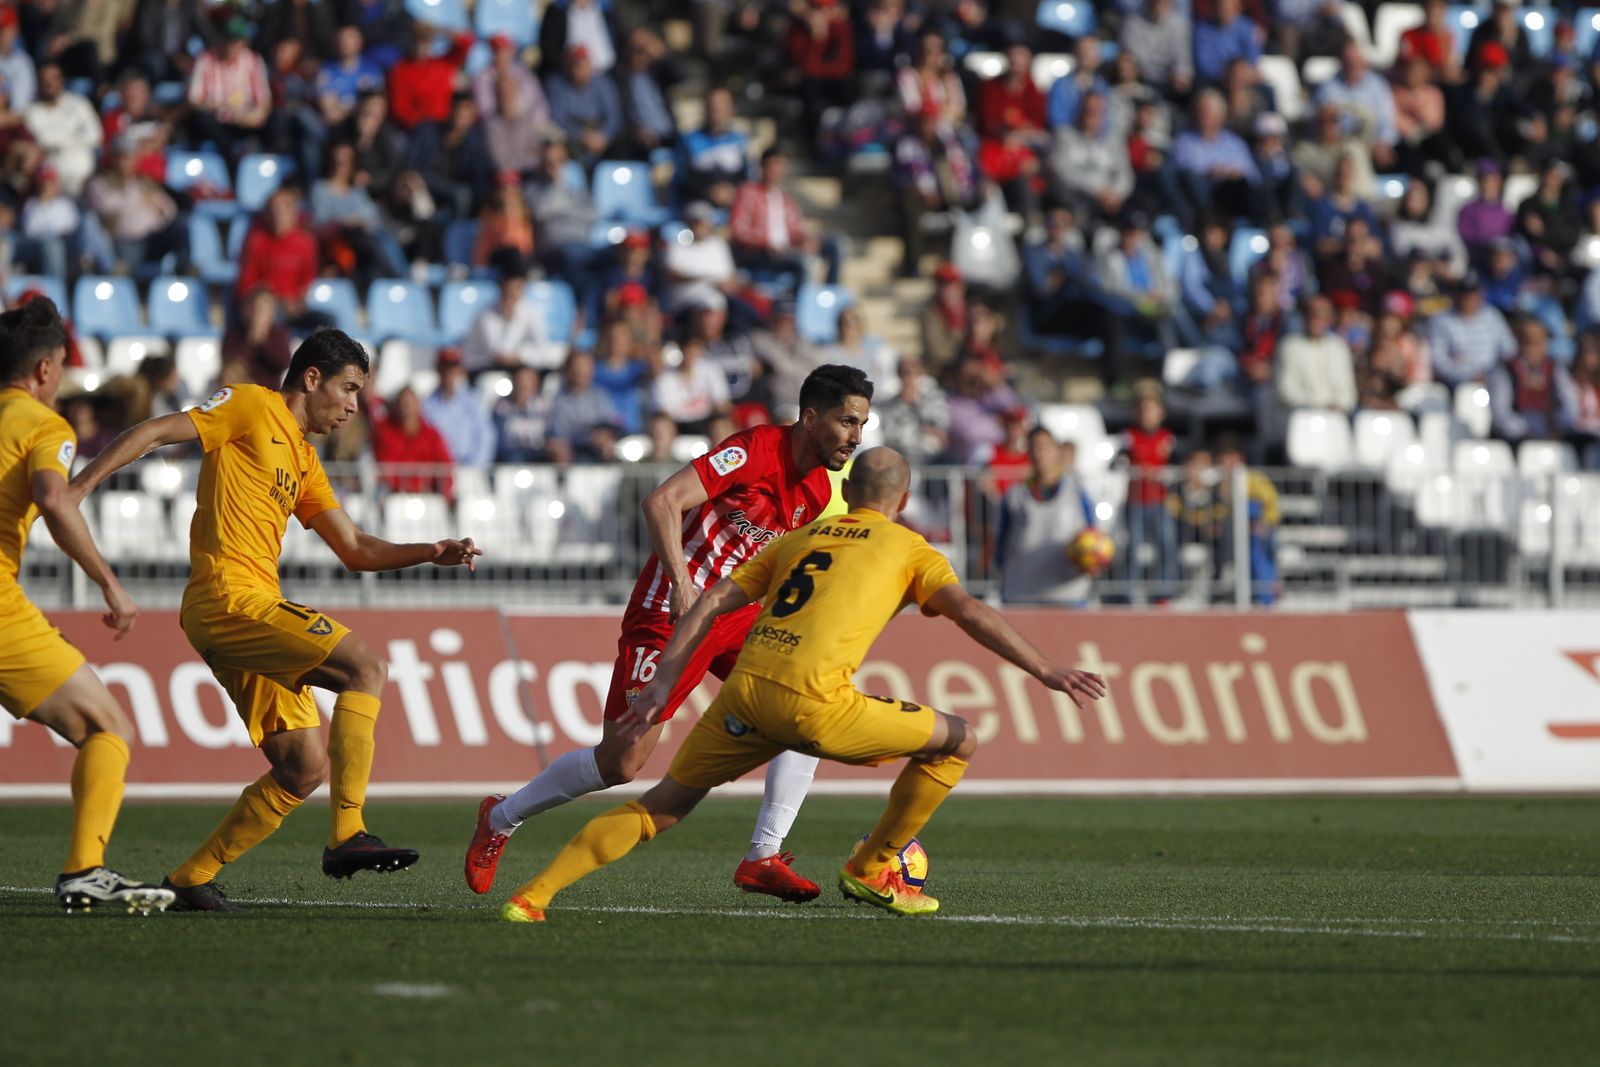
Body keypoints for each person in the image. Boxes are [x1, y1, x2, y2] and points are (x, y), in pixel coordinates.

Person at [494, 446, 1107, 922]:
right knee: (959, 739)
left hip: (745, 693)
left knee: (662, 805)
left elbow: (710, 600)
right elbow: (969, 611)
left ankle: (532, 895)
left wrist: (663, 686)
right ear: (904, 498)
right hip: (815, 705)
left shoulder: (800, 537)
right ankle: (873, 865)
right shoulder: (912, 548)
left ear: (851, 492)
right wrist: (1047, 669)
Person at [68, 330, 482, 910]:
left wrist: (428, 551)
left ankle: (190, 878)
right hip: (227, 596)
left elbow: (355, 548)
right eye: (349, 388)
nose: (354, 406)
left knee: (301, 767)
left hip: (247, 607)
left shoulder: (305, 460)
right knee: (365, 665)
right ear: (311, 378)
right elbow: (159, 430)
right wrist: (82, 484)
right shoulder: (250, 404)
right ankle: (347, 832)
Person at [464, 365, 872, 905]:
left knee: (808, 702)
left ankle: (762, 857)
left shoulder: (819, 490)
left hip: (731, 616)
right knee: (622, 763)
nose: (856, 437)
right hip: (669, 610)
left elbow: (764, 560)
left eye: (862, 424)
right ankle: (500, 816)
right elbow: (661, 501)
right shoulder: (751, 450)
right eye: (847, 422)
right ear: (811, 416)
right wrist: (682, 582)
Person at [0, 299, 173, 914]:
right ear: (47, 370)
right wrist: (108, 581)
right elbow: (53, 497)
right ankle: (85, 868)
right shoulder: (44, 426)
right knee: (108, 727)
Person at [996, 428, 1100, 606]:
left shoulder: (1076, 491)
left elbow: (1093, 534)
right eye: (1034, 448)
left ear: (1057, 450)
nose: (1039, 454)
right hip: (1021, 592)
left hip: (1067, 593)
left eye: (1045, 447)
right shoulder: (1015, 496)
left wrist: (1092, 559)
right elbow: (1001, 545)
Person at [423, 347, 495, 469]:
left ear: (460, 371)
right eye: (445, 368)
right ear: (438, 370)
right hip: (439, 470)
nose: (449, 374)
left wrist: (474, 467)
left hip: (469, 467)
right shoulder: (426, 405)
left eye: (453, 369)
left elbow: (485, 437)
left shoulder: (473, 402)